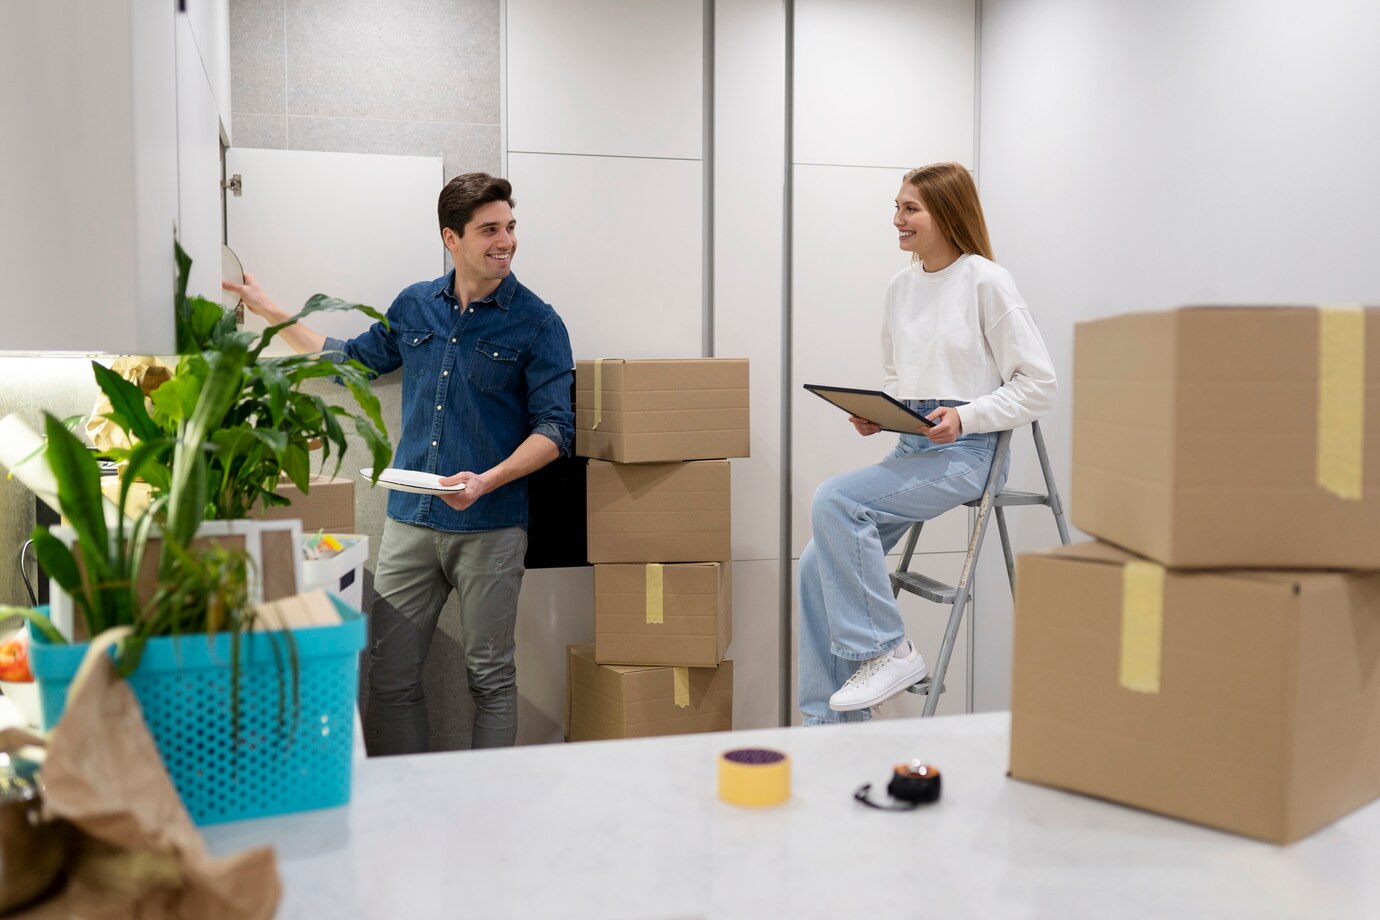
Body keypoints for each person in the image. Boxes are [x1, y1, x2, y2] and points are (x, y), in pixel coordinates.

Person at [224, 172, 575, 752]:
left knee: (489, 679)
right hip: (410, 522)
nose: (505, 241)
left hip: (491, 526)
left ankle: (491, 807)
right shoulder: (414, 306)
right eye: (489, 229)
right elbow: (348, 361)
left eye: (510, 227)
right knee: (389, 677)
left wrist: (487, 480)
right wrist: (268, 310)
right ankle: (405, 807)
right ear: (451, 238)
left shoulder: (539, 323)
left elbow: (554, 431)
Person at [798, 161, 1055, 725]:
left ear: (947, 213)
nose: (897, 220)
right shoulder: (901, 287)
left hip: (969, 456)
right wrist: (883, 415)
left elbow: (1039, 385)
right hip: (914, 446)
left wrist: (968, 419)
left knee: (834, 500)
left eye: (910, 208)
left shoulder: (987, 280)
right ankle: (829, 726)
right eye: (897, 207)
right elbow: (898, 376)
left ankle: (889, 650)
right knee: (815, 563)